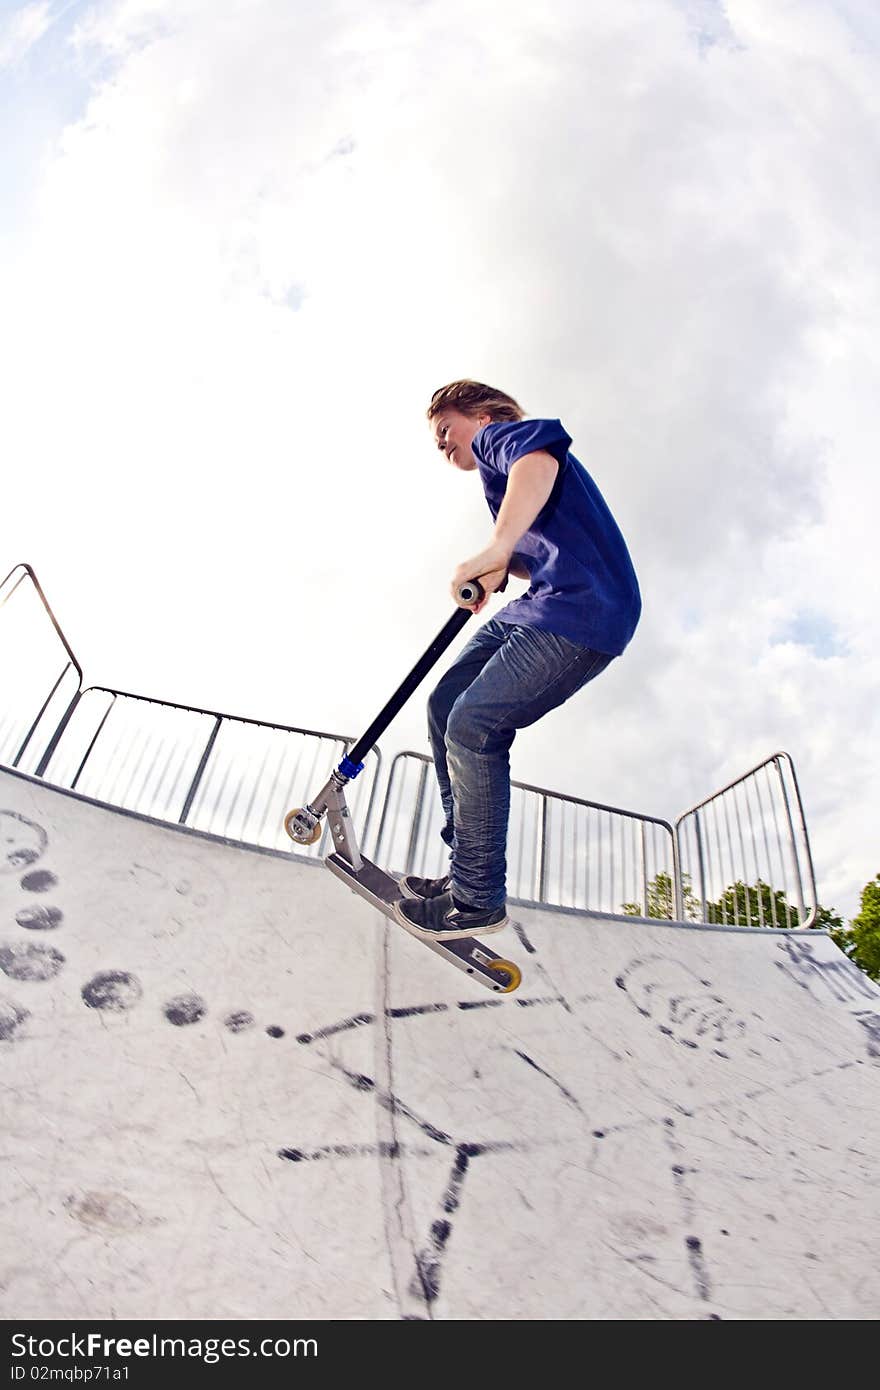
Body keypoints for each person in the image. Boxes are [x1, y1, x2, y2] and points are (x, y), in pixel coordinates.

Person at [393, 379, 641, 940]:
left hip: (581, 612)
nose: (442, 445)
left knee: (474, 724)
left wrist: (498, 548)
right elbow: (535, 552)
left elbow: (536, 464)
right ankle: (465, 868)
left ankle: (476, 898)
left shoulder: (503, 439)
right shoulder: (495, 480)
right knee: (444, 704)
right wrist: (503, 567)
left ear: (480, 416)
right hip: (539, 605)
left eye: (445, 431)